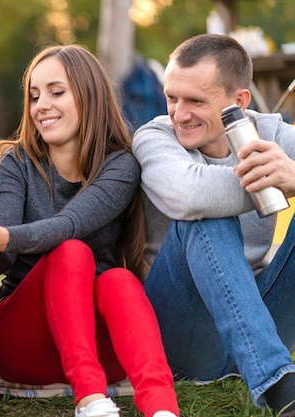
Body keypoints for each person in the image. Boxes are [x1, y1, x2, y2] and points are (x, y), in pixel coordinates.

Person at [0, 44, 179, 417]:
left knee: (118, 280)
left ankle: (163, 409)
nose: (41, 106)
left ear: (88, 95)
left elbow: (70, 224)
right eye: (34, 96)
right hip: (24, 344)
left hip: (102, 349)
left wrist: (6, 236)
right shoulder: (17, 162)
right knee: (71, 252)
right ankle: (90, 402)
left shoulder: (119, 165)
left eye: (56, 92)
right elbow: (2, 260)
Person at [132, 33, 295, 416]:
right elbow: (187, 196)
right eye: (172, 97)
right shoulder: (155, 136)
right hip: (183, 334)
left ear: (238, 101)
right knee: (202, 213)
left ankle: (267, 369)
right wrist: (279, 182)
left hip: (260, 318)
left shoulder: (271, 134)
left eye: (196, 101)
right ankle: (281, 386)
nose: (179, 113)